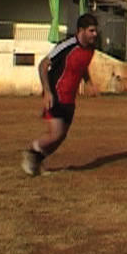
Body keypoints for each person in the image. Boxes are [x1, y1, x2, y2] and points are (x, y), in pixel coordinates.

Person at [21, 13, 99, 176]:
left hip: (70, 99)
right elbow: (43, 65)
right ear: (81, 30)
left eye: (95, 31)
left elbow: (81, 66)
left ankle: (36, 161)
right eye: (91, 31)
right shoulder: (67, 45)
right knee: (55, 134)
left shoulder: (90, 49)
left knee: (60, 137)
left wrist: (89, 82)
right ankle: (31, 152)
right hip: (55, 94)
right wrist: (47, 92)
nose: (95, 34)